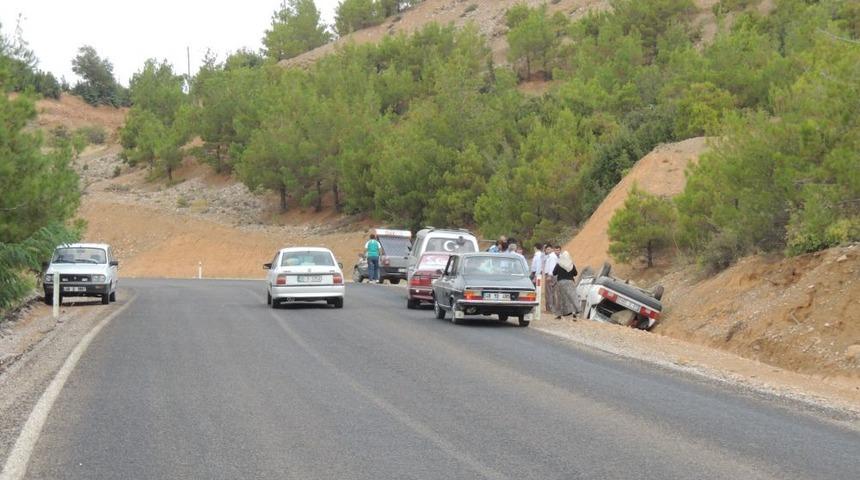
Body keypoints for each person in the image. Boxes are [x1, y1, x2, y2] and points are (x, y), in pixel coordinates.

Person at [553, 251, 579, 319]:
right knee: (572, 298)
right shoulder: (571, 264)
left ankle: (559, 315)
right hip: (570, 282)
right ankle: (574, 313)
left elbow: (554, 273)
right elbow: (575, 273)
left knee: (560, 299)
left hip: (561, 283)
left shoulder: (559, 264)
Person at [543, 243, 558, 314]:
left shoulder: (552, 256)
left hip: (550, 276)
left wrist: (549, 275)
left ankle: (550, 308)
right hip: (550, 275)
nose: (547, 250)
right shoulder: (550, 256)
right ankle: (551, 308)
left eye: (549, 249)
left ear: (552, 249)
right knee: (551, 292)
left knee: (549, 292)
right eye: (546, 249)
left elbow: (552, 267)